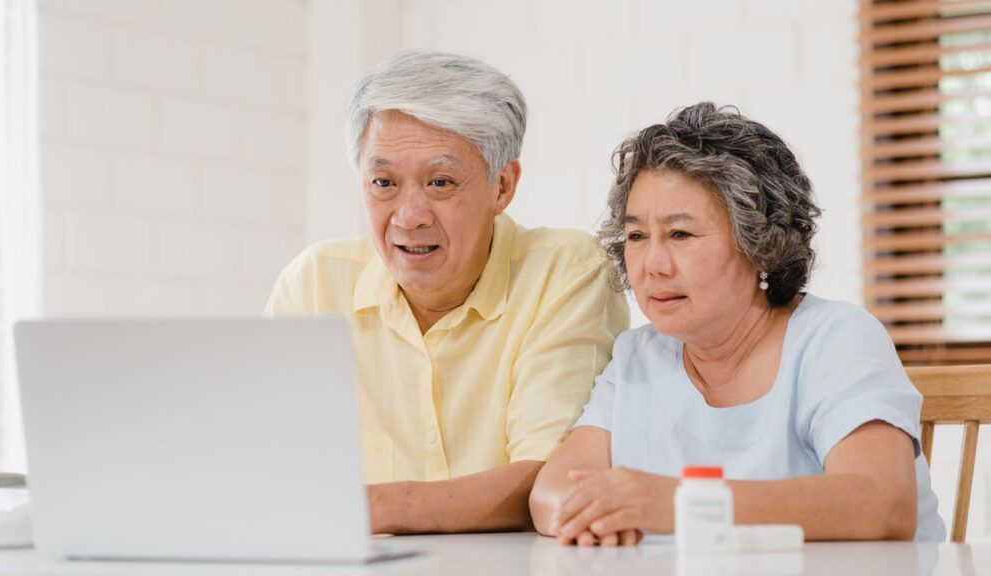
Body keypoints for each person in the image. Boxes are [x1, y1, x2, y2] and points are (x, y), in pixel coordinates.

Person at [529, 102, 946, 545]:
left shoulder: (836, 339)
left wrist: (679, 505)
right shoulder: (637, 357)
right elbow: (553, 488)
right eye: (636, 236)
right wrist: (588, 518)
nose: (651, 264)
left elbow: (883, 505)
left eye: (681, 234)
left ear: (759, 242)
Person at [265, 51, 629, 534]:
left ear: (502, 185)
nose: (409, 215)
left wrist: (371, 509)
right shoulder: (313, 283)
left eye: (440, 182)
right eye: (383, 182)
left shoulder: (565, 272)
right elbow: (265, 463)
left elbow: (552, 480)